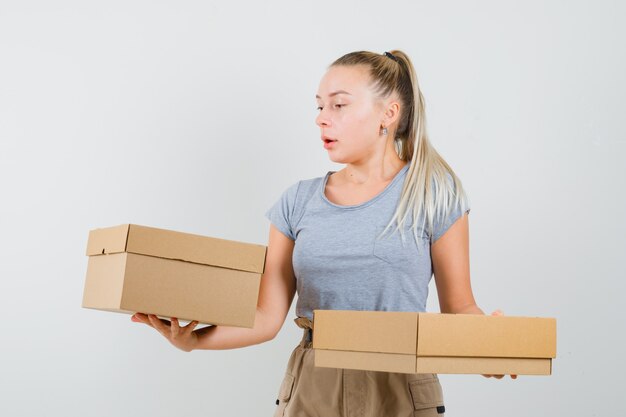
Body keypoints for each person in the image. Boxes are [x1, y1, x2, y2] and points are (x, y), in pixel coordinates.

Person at [132, 49, 516, 416]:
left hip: (402, 387)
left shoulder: (434, 194)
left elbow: (459, 308)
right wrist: (191, 341)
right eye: (319, 106)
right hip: (313, 386)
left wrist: (490, 349)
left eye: (339, 104)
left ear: (389, 113)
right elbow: (266, 316)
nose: (321, 118)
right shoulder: (296, 202)